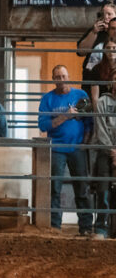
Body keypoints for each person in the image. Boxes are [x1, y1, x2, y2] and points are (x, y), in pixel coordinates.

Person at [37, 64, 93, 235]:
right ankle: (55, 227)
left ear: (69, 77)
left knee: (82, 187)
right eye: (57, 77)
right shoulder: (48, 99)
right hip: (57, 148)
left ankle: (85, 227)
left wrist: (85, 143)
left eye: (64, 76)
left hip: (77, 147)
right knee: (55, 187)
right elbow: (43, 125)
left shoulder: (81, 95)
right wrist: (64, 117)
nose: (61, 80)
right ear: (53, 79)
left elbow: (89, 121)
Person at [88, 41, 116, 239]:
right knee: (103, 188)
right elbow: (101, 129)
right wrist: (113, 151)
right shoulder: (103, 102)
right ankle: (101, 227)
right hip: (106, 152)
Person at [78, 0, 116, 105]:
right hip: (91, 78)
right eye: (103, 14)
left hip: (110, 81)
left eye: (109, 14)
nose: (106, 17)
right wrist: (94, 32)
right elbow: (80, 51)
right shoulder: (95, 31)